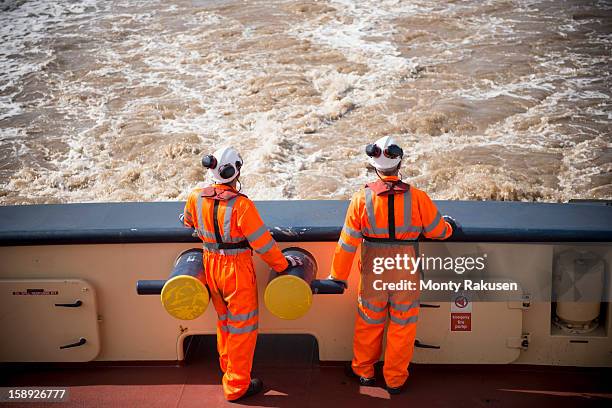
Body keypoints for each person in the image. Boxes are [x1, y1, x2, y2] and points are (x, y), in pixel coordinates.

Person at [329, 136, 456, 394]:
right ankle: (395, 379)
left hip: (374, 272)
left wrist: (338, 276)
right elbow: (438, 231)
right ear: (400, 163)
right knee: (403, 325)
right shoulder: (418, 198)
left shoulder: (360, 199)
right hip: (405, 272)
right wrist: (449, 226)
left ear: (373, 165)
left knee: (369, 322)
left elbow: (347, 244)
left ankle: (364, 371)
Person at [182, 146, 302, 402]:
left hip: (210, 265)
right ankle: (237, 386)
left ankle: (228, 369)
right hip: (236, 270)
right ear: (235, 172)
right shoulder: (242, 205)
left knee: (224, 322)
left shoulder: (196, 197)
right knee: (242, 329)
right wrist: (282, 266)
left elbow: (188, 221)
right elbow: (263, 244)